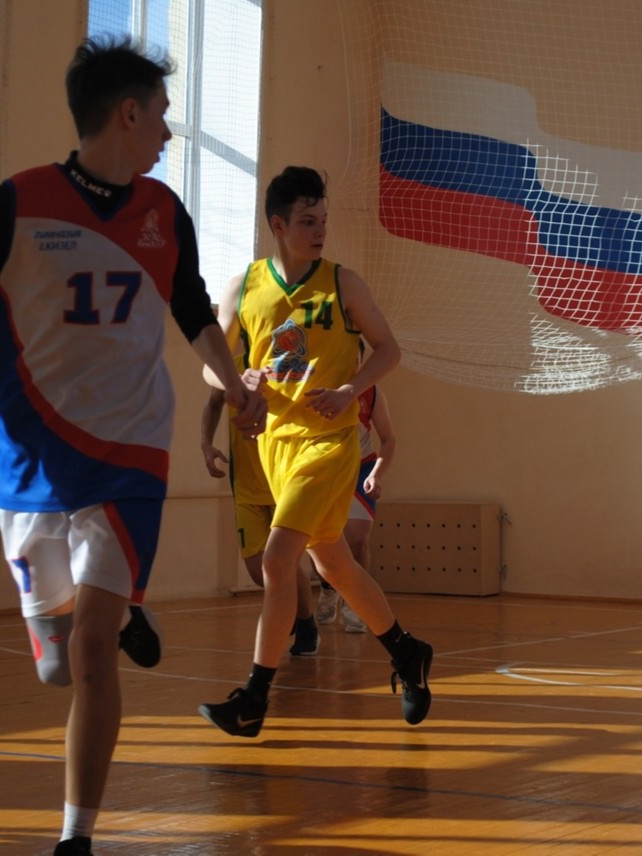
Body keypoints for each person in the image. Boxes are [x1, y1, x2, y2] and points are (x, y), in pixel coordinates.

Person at [0, 36, 264, 856]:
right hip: (29, 459)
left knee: (95, 653)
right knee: (56, 667)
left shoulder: (165, 213)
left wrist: (235, 384)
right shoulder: (20, 202)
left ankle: (76, 837)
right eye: (163, 117)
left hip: (129, 455)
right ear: (128, 113)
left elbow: (193, 312)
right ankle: (108, 613)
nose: (169, 134)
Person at [197, 166, 433, 737]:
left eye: (323, 220)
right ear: (278, 225)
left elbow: (389, 349)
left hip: (329, 443)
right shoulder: (243, 286)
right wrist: (236, 380)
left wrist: (351, 389)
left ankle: (254, 697)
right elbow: (211, 365)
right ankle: (406, 651)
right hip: (273, 447)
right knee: (334, 564)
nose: (320, 230)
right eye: (307, 221)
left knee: (278, 561)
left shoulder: (343, 284)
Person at [202, 380, 320, 655]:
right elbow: (213, 403)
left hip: (284, 482)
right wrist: (205, 443)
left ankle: (306, 623)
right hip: (246, 486)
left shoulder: (285, 366)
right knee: (259, 570)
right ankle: (291, 610)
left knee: (285, 561)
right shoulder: (229, 367)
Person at [317, 383, 397, 632]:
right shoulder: (319, 384)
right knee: (320, 542)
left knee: (358, 540)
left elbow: (389, 439)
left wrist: (376, 474)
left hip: (361, 468)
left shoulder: (372, 393)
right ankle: (328, 588)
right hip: (324, 470)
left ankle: (355, 604)